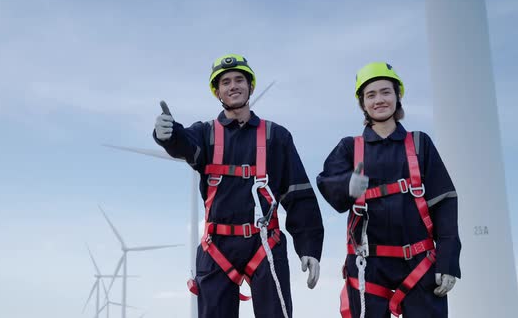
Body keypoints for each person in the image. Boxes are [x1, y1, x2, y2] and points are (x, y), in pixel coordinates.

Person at [154, 54, 324, 318]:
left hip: (266, 244)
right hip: (216, 247)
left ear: (250, 86)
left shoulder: (276, 136)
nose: (233, 85)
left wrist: (309, 247)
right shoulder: (204, 133)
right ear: (217, 92)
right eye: (225, 82)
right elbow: (183, 143)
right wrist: (167, 134)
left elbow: (298, 195)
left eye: (239, 79)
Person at [317, 62, 461, 317]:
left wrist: (448, 260)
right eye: (371, 95)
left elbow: (444, 201)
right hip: (367, 264)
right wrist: (347, 185)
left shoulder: (419, 144)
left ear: (398, 96)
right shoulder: (349, 148)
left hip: (420, 261)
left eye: (386, 92)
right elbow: (327, 185)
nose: (379, 100)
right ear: (362, 103)